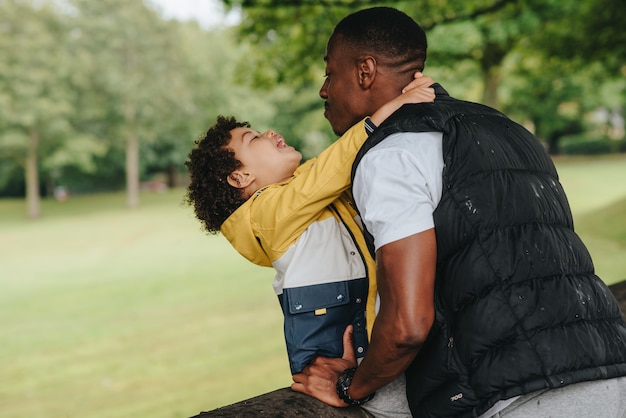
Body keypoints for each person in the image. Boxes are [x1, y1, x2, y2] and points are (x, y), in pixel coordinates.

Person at [291, 7, 626, 418]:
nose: (324, 90)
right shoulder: (508, 130)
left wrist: (350, 386)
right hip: (610, 371)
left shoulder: (392, 154)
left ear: (365, 71)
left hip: (520, 398)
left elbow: (407, 326)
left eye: (329, 73)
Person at [184, 73, 435, 417]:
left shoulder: (299, 199)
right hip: (340, 359)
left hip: (365, 346)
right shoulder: (267, 215)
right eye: (253, 137)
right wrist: (396, 105)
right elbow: (334, 167)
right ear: (240, 176)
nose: (269, 132)